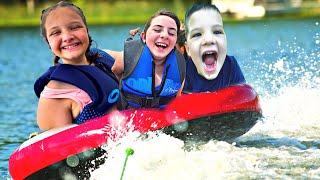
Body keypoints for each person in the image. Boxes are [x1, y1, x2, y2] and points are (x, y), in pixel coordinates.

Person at [34, 1, 119, 131]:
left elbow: (146, 59)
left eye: (74, 27)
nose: (67, 37)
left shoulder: (107, 57)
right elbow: (59, 149)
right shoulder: (55, 95)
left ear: (87, 30)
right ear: (48, 42)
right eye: (56, 33)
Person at [111, 9, 186, 110]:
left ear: (175, 41)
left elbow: (178, 98)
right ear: (143, 37)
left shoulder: (180, 65)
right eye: (157, 30)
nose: (164, 35)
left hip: (162, 121)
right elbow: (115, 72)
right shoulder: (127, 57)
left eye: (171, 33)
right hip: (127, 115)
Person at [183, 4, 246, 93]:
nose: (209, 40)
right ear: (188, 49)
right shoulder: (183, 73)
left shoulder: (231, 65)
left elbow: (245, 97)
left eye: (217, 32)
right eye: (197, 34)